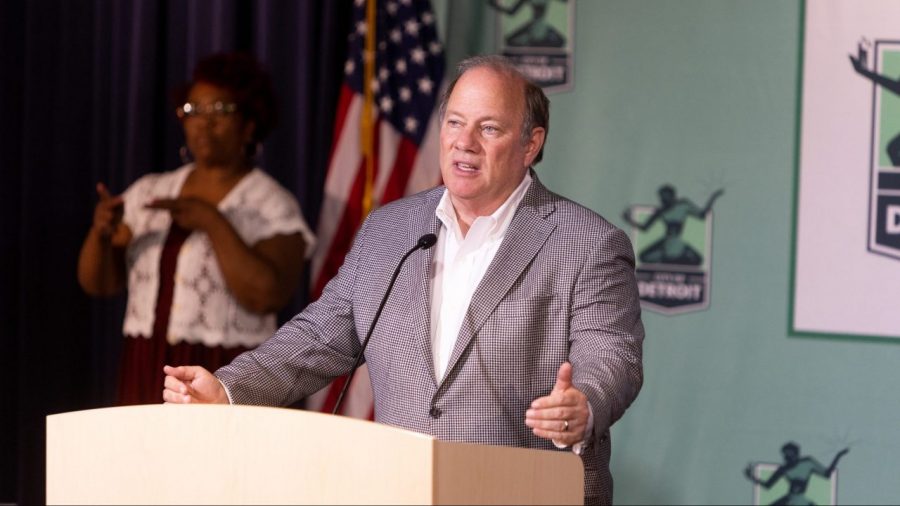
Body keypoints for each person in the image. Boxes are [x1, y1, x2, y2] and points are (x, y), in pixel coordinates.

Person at [163, 55, 643, 505]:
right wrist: (228, 388)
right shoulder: (389, 230)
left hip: (526, 490)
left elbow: (611, 354)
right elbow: (320, 335)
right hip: (404, 488)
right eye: (454, 122)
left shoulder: (586, 241)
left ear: (530, 144)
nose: (464, 142)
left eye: (488, 128)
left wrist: (583, 406)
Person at [78, 52, 315, 406]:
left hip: (228, 374)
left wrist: (211, 221)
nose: (203, 122)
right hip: (149, 364)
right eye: (193, 111)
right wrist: (100, 234)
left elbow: (268, 295)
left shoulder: (271, 204)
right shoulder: (150, 191)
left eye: (219, 111)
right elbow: (98, 283)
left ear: (249, 124)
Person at [621, 185, 723, 265]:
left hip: (678, 242)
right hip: (666, 241)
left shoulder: (683, 205)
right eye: (662, 198)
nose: (663, 200)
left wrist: (713, 198)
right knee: (643, 257)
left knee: (698, 260)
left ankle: (676, 259)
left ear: (672, 195)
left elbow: (701, 215)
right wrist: (629, 220)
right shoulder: (661, 211)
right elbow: (645, 227)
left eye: (665, 197)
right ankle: (667, 258)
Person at [744, 442, 849, 506]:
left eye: (790, 455)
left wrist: (838, 456)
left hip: (801, 500)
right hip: (789, 499)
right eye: (786, 456)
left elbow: (827, 474)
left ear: (796, 454)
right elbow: (768, 485)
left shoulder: (808, 462)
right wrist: (752, 477)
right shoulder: (783, 469)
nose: (788, 458)